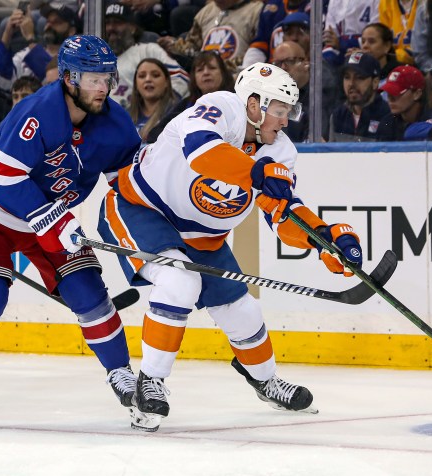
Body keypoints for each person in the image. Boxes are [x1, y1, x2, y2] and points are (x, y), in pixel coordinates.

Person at [98, 62, 364, 432]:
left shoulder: (280, 151)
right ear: (254, 104)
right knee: (178, 284)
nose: (285, 121)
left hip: (203, 237)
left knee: (244, 311)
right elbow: (201, 150)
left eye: (288, 112)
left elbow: (282, 211)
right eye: (280, 111)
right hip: (143, 208)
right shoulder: (222, 107)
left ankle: (265, 381)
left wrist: (325, 239)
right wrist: (255, 172)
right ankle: (150, 383)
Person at [0, 35, 142, 425]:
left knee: (89, 293)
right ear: (69, 77)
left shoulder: (116, 125)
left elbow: (130, 183)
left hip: (49, 217)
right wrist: (55, 219)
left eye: (107, 77)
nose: (102, 87)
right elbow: (4, 179)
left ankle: (120, 373)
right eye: (92, 78)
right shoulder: (37, 113)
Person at [104, 0, 188, 110]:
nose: (111, 28)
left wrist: (160, 112)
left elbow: (181, 79)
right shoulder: (97, 61)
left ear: (133, 28)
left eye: (117, 22)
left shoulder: (148, 51)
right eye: (107, 23)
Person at [146, 50, 235, 143]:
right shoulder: (186, 104)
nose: (206, 73)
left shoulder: (236, 100)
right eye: (200, 70)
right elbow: (156, 133)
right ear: (194, 78)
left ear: (223, 73)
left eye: (212, 68)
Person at [157, 0, 264, 71]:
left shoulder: (258, 11)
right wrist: (175, 46)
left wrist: (220, 67)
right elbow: (193, 47)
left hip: (238, 78)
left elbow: (258, 53)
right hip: (206, 76)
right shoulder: (207, 11)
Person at [329, 52, 390, 140]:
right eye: (347, 77)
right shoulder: (337, 116)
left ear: (375, 82)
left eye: (359, 77)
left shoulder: (387, 116)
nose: (351, 83)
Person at [375, 65, 432, 141]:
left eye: (397, 92)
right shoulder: (387, 123)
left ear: (417, 94)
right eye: (389, 92)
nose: (390, 98)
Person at [240, 0, 310, 68]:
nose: (294, 37)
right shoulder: (270, 8)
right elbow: (260, 45)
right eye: (289, 33)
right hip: (274, 71)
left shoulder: (317, 7)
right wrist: (247, 71)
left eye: (300, 33)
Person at [129, 58, 180, 142]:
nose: (148, 79)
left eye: (155, 75)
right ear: (136, 84)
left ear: (167, 82)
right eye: (142, 76)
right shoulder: (124, 115)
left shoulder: (177, 113)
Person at [272, 41, 311, 141]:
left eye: (290, 61)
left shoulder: (320, 94)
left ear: (306, 63)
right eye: (277, 64)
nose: (283, 67)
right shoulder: (269, 100)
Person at [321, 0, 379, 66]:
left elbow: (376, 35)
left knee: (354, 64)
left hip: (365, 50)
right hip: (340, 50)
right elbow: (330, 36)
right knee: (324, 61)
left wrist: (342, 43)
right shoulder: (334, 1)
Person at [378, 0, 418, 65]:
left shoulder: (426, 3)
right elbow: (383, 40)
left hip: (424, 63)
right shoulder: (385, 3)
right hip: (394, 63)